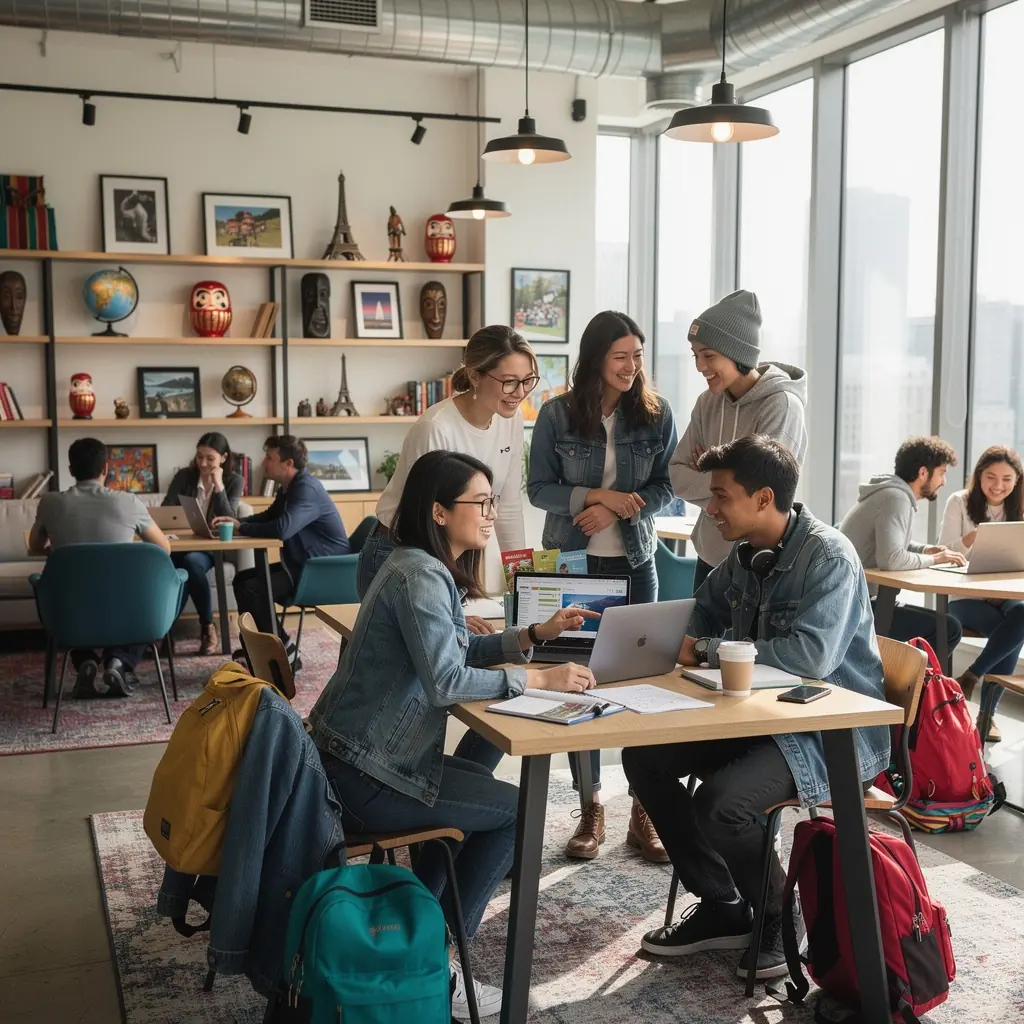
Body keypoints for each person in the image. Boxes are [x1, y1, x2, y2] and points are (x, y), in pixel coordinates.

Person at [309, 451, 598, 1021]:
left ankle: (427, 939)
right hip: (366, 774)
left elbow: (453, 653)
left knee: (486, 799)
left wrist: (533, 634)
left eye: (494, 500)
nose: (491, 513)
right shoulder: (420, 573)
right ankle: (440, 964)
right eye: (480, 502)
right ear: (439, 511)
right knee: (518, 811)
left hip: (359, 759)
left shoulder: (416, 566)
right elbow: (446, 682)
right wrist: (537, 676)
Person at [624, 435, 889, 981]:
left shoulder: (830, 557)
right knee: (643, 757)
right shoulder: (746, 555)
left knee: (722, 805)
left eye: (720, 496)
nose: (709, 508)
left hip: (823, 733)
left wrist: (700, 650)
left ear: (764, 497)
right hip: (756, 719)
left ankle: (775, 920)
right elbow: (698, 613)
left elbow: (809, 657)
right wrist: (659, 639)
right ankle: (723, 904)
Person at [527, 310, 678, 863]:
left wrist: (616, 512)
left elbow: (668, 487)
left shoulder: (657, 416)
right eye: (621, 356)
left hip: (637, 565)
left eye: (638, 355)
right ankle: (591, 806)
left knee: (643, 684)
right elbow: (539, 486)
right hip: (573, 567)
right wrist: (594, 498)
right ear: (595, 359)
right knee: (579, 685)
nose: (632, 366)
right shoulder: (555, 414)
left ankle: (644, 808)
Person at [359, 325, 537, 632]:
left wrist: (521, 581)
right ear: (476, 375)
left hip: (450, 553)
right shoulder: (436, 427)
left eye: (527, 381)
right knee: (386, 662)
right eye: (509, 382)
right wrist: (446, 609)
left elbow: (506, 505)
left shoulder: (512, 419)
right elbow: (422, 520)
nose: (519, 393)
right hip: (401, 550)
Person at [668, 290, 807, 591]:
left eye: (708, 356)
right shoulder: (707, 403)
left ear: (738, 354)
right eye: (696, 356)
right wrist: (730, 483)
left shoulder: (781, 406)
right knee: (697, 639)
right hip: (708, 556)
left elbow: (761, 495)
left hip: (756, 561)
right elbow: (678, 476)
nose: (699, 367)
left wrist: (707, 471)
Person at [28, 436, 171, 696]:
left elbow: (34, 546)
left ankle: (85, 661)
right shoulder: (129, 502)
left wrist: (62, 549)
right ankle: (119, 661)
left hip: (69, 610)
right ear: (106, 468)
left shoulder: (50, 502)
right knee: (144, 598)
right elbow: (163, 548)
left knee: (69, 600)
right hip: (126, 609)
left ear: (71, 471)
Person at [214, 435, 349, 665]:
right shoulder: (289, 487)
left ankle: (283, 649)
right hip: (303, 564)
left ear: (288, 464)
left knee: (252, 588)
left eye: (269, 458)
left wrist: (243, 527)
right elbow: (270, 516)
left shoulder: (306, 488)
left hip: (323, 570)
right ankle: (260, 648)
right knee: (242, 580)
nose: (264, 462)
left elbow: (282, 528)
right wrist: (237, 524)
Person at [839, 436, 965, 652]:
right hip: (859, 608)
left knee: (945, 626)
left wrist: (925, 550)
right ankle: (907, 685)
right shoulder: (896, 499)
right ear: (923, 472)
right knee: (948, 630)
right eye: (942, 473)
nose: (943, 482)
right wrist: (936, 559)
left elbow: (892, 545)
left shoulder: (889, 493)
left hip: (858, 600)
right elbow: (891, 559)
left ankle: (906, 682)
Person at [938, 445, 1024, 742]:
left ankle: (971, 675)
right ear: (979, 476)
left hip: (1008, 595)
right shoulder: (959, 502)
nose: (998, 486)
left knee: (1021, 616)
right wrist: (974, 536)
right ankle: (988, 715)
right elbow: (945, 550)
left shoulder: (1021, 507)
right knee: (1012, 632)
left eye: (1007, 479)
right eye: (991, 477)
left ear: (1017, 481)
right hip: (966, 596)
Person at [162, 432, 244, 654]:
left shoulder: (234, 480)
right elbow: (166, 508)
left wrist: (218, 486)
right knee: (176, 567)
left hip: (211, 547)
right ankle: (167, 630)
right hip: (181, 543)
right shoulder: (184, 477)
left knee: (190, 563)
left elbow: (229, 519)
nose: (203, 463)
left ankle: (204, 625)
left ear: (224, 458)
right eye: (199, 457)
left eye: (210, 458)